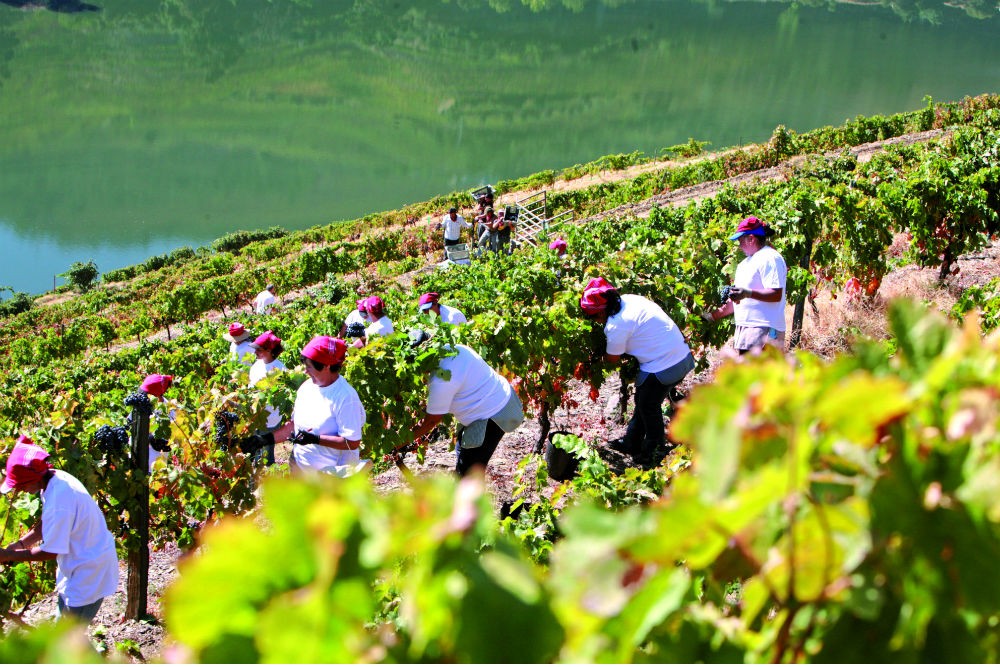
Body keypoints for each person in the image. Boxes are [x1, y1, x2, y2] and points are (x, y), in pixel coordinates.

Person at [0, 436, 118, 625]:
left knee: (66, 641)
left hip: (88, 572)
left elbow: (50, 551)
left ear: (32, 478)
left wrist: (8, 555)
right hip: (81, 564)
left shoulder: (59, 501)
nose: (20, 491)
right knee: (67, 637)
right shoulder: (54, 479)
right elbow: (46, 524)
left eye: (21, 485)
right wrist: (21, 544)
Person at [580, 277, 694, 465]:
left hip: (664, 366)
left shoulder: (615, 326)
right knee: (643, 400)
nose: (595, 320)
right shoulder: (630, 299)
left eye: (593, 316)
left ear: (601, 312)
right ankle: (631, 441)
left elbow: (612, 359)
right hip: (681, 356)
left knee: (649, 406)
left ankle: (655, 451)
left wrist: (594, 360)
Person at [393, 330, 524, 477]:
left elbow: (430, 421)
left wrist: (399, 443)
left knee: (466, 475)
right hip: (500, 395)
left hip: (493, 415)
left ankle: (472, 497)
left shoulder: (442, 379)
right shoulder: (456, 348)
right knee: (462, 451)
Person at [254, 336, 367, 477]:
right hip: (300, 468)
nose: (305, 371)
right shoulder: (306, 388)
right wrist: (263, 440)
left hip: (331, 477)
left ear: (326, 366)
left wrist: (316, 439)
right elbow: (293, 426)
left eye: (309, 366)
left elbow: (352, 442)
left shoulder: (345, 397)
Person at [704, 216, 787, 354]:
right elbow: (737, 300)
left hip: (764, 330)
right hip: (745, 331)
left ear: (751, 238)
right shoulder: (745, 264)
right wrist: (711, 316)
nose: (739, 245)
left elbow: (776, 294)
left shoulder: (770, 258)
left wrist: (748, 293)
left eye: (740, 240)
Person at [248, 331, 287, 466]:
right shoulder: (256, 366)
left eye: (259, 350)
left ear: (270, 350)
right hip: (255, 415)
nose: (255, 353)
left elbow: (281, 395)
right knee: (254, 450)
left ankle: (268, 480)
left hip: (271, 417)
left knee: (266, 453)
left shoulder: (280, 369)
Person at [139, 373, 175, 471]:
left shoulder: (169, 410)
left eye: (146, 394)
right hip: (138, 461)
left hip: (155, 466)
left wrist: (165, 443)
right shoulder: (141, 405)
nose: (144, 396)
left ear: (157, 395)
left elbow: (173, 436)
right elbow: (131, 424)